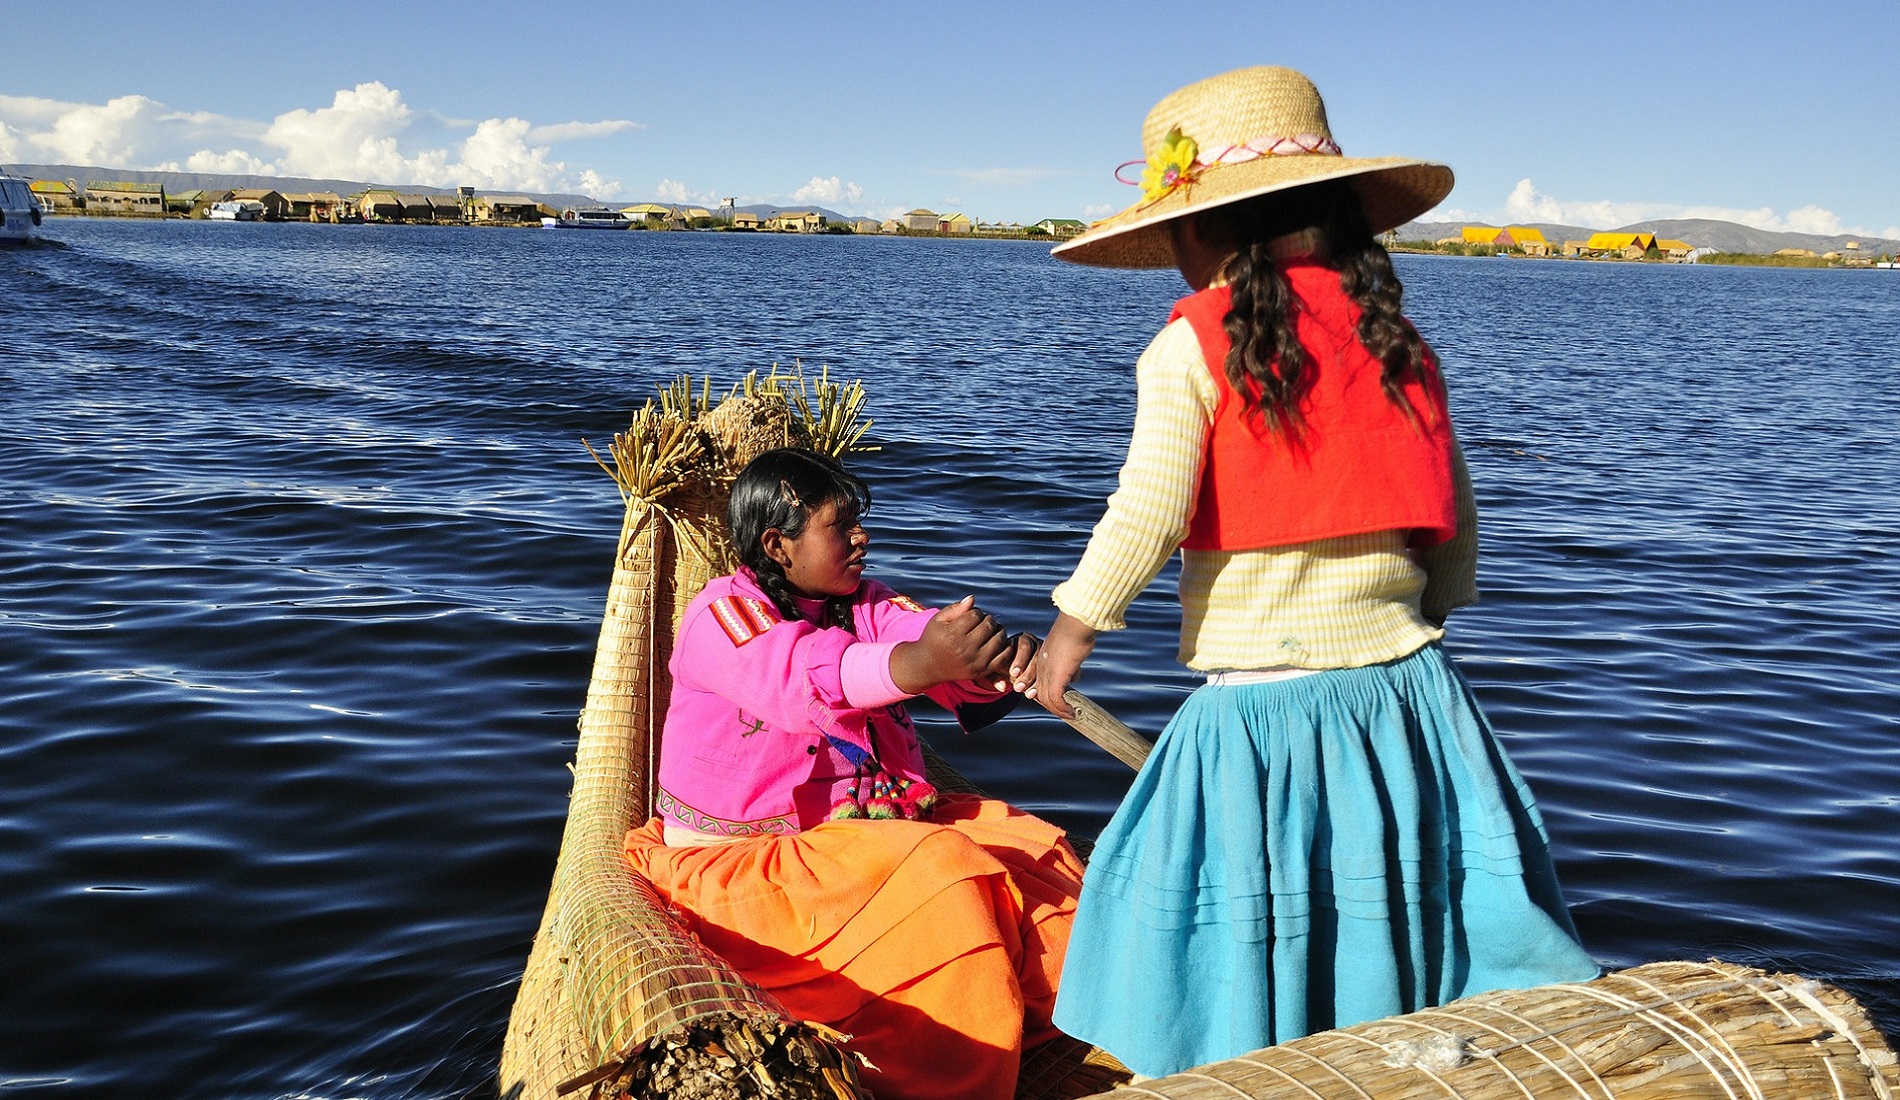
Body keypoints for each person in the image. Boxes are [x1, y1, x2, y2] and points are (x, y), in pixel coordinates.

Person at [1028, 66, 1599, 1077]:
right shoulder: (1397, 338)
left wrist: (1071, 629)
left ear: (1202, 232)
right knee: (1386, 904)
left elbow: (1149, 508)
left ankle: (1249, 1066)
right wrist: (1431, 613)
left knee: (1194, 906)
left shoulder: (1190, 345)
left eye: (1171, 236)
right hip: (1409, 694)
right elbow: (1454, 513)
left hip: (1267, 711)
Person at [624, 446, 1083, 1100]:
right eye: (841, 526)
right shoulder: (724, 616)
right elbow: (799, 678)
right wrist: (919, 665)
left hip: (867, 841)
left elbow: (917, 637)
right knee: (945, 876)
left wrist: (987, 662)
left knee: (1037, 856)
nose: (863, 537)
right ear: (778, 545)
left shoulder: (864, 603)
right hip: (752, 868)